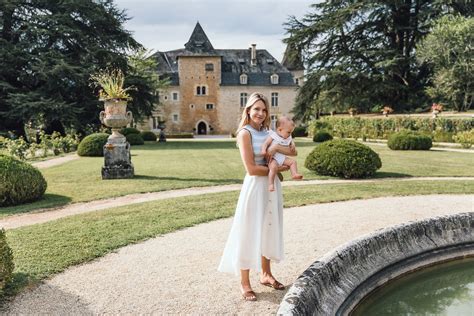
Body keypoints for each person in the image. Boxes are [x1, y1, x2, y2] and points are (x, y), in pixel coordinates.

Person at [218, 92, 297, 301]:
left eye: (264, 110)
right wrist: (279, 170)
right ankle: (245, 282)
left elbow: (286, 151)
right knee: (249, 230)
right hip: (255, 187)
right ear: (248, 110)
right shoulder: (245, 133)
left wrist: (283, 159)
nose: (260, 113)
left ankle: (266, 274)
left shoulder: (270, 132)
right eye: (256, 109)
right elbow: (252, 169)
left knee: (269, 229)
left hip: (272, 188)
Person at [261, 116, 303, 191]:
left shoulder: (288, 137)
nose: (290, 134)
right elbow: (265, 143)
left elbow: (291, 143)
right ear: (280, 129)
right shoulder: (273, 136)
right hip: (274, 158)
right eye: (289, 132)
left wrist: (293, 145)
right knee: (273, 168)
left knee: (293, 162)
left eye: (291, 132)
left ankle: (294, 174)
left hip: (282, 158)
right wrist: (264, 150)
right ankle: (271, 184)